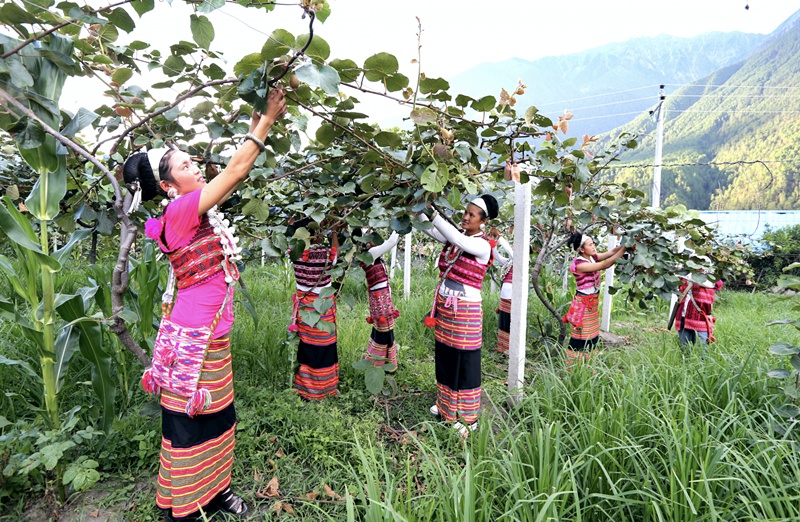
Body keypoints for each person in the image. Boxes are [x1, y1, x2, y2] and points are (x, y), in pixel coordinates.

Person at [125, 87, 286, 521]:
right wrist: (267, 121)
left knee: (217, 419)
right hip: (194, 336)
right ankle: (185, 507)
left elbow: (235, 171)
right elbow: (235, 172)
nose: (195, 168)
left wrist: (256, 122)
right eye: (185, 165)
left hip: (209, 334)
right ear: (167, 185)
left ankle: (214, 492)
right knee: (189, 425)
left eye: (192, 162)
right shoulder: (179, 212)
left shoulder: (192, 212)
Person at [418, 194, 498, 437]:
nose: (465, 217)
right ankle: (445, 407)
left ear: (483, 221)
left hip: (465, 310)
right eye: (465, 212)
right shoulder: (458, 239)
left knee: (465, 360)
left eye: (471, 215)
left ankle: (468, 416)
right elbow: (430, 229)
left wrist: (432, 211)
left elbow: (451, 235)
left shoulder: (482, 245)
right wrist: (416, 204)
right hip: (445, 307)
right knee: (446, 355)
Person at [289, 219, 340, 400]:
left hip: (304, 311)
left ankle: (306, 389)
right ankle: (325, 389)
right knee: (325, 348)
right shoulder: (324, 254)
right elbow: (336, 255)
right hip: (323, 309)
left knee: (307, 348)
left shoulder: (294, 253)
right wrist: (334, 231)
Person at [564, 232, 627, 365]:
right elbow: (605, 265)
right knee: (581, 336)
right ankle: (573, 366)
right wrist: (625, 249)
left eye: (593, 243)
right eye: (590, 244)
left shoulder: (592, 258)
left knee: (591, 335)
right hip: (583, 305)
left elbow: (611, 252)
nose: (594, 246)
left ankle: (587, 365)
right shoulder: (581, 265)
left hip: (591, 303)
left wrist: (626, 244)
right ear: (582, 249)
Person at [359, 229, 402, 368]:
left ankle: (383, 362)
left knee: (384, 330)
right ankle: (379, 363)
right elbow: (391, 242)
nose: (375, 239)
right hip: (379, 301)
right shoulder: (370, 254)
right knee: (384, 332)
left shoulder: (374, 255)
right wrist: (399, 226)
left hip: (382, 300)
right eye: (372, 237)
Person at [675, 273, 722, 348]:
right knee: (684, 348)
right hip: (683, 319)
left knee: (702, 350)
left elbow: (718, 284)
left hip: (701, 320)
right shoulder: (684, 277)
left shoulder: (711, 279)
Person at [490, 228, 513, 355]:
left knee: (509, 323)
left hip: (511, 298)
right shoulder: (509, 262)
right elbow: (497, 257)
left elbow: (511, 252)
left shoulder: (519, 260)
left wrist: (500, 237)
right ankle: (503, 349)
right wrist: (493, 243)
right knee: (504, 322)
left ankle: (510, 349)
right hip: (505, 298)